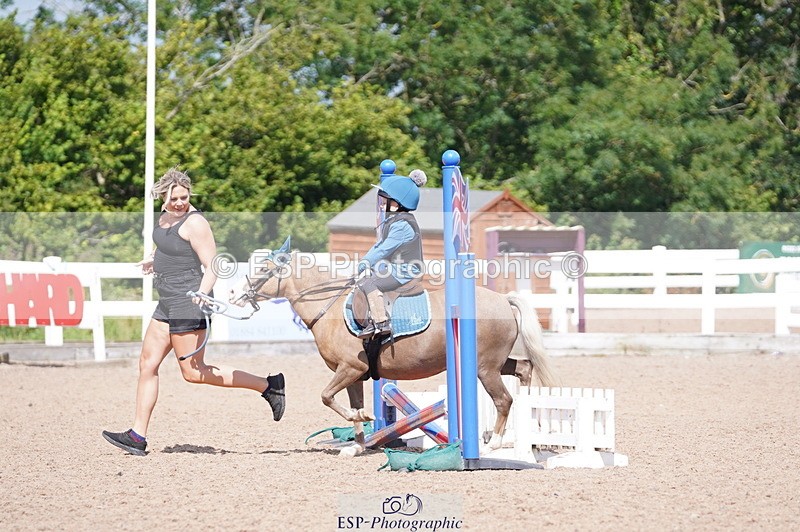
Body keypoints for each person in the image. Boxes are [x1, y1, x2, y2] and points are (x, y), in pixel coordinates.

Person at [102, 167, 285, 456]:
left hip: (189, 299)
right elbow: (166, 243)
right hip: (166, 300)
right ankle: (137, 435)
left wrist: (202, 292)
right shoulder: (163, 217)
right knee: (147, 364)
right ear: (164, 196)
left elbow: (212, 264)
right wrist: (153, 258)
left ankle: (268, 386)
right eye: (174, 198)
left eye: (184, 198)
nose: (179, 203)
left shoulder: (195, 222)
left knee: (193, 372)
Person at [356, 170, 426, 338]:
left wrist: (365, 262)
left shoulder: (401, 225)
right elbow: (379, 245)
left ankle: (381, 322)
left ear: (398, 203)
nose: (381, 205)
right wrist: (366, 261)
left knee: (369, 283)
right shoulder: (394, 219)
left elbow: (383, 249)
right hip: (395, 266)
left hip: (406, 271)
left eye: (385, 201)